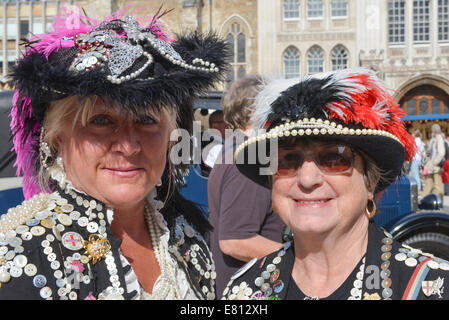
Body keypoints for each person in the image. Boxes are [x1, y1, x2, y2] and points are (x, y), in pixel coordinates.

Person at [0, 7, 228, 300]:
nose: (129, 146)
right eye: (101, 121)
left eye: (147, 121)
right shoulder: (22, 257)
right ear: (57, 138)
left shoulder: (187, 237)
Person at [222, 68, 449, 300]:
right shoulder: (244, 291)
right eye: (288, 160)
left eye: (334, 158)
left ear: (370, 182)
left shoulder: (429, 288)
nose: (307, 179)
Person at [208, 75, 285, 297]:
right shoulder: (249, 158)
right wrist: (301, 259)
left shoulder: (236, 148)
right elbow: (236, 241)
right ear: (257, 110)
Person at [422, 124, 446, 202]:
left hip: (436, 167)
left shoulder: (439, 139)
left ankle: (439, 201)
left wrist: (435, 162)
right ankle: (423, 200)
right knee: (428, 184)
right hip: (431, 167)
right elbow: (430, 152)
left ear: (434, 131)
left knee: (438, 185)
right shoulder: (433, 139)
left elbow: (441, 153)